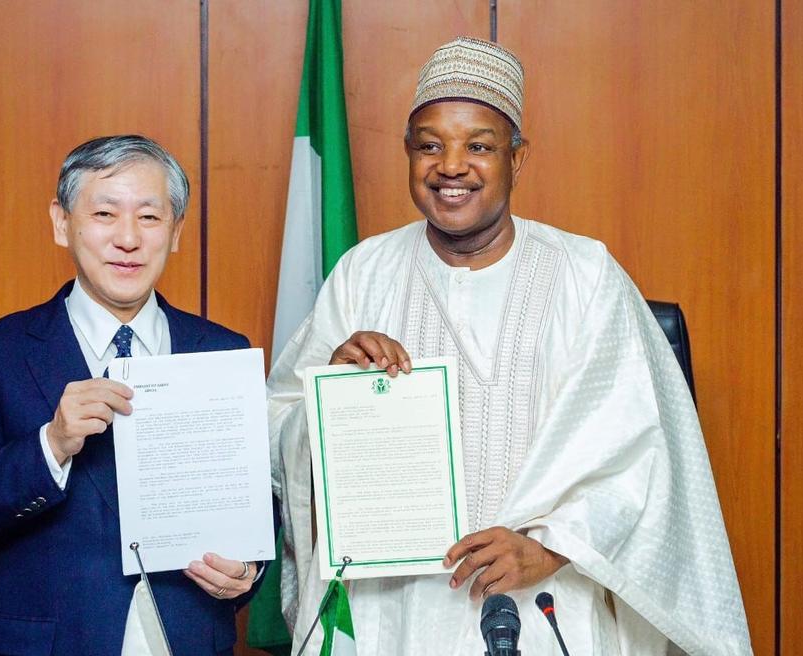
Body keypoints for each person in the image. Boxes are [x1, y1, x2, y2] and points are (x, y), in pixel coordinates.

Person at [268, 37, 752, 654]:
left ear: (517, 160)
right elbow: (280, 429)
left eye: (478, 146)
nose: (451, 166)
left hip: (544, 601)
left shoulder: (585, 275)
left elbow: (644, 453)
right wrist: (329, 394)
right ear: (408, 154)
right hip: (391, 611)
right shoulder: (365, 273)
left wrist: (549, 547)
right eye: (430, 145)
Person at [0, 135, 266, 655]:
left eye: (149, 218)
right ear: (62, 223)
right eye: (105, 213)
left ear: (175, 232)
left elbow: (258, 502)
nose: (127, 239)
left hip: (188, 638)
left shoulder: (220, 351)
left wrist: (248, 571)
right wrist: (50, 445)